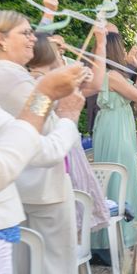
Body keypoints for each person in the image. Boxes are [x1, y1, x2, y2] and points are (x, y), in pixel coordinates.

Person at [0, 9, 87, 274]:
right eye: (25, 33)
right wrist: (69, 115)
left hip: (19, 192)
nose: (33, 38)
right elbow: (40, 143)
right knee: (55, 271)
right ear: (0, 40)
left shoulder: (1, 76)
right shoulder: (12, 80)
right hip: (39, 188)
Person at [28, 33, 110, 233]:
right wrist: (68, 114)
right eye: (57, 50)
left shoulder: (49, 82)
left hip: (63, 152)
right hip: (51, 157)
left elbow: (96, 84)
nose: (62, 52)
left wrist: (100, 45)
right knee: (61, 229)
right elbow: (35, 119)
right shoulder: (35, 85)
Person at [91, 32, 137, 250]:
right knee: (120, 175)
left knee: (120, 174)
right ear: (116, 50)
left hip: (116, 124)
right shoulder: (112, 76)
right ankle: (118, 237)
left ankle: (117, 233)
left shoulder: (115, 75)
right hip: (116, 129)